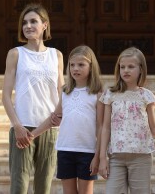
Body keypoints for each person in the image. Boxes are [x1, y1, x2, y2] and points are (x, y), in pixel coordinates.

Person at [99, 47, 155, 194]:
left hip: (141, 157)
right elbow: (105, 128)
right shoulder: (110, 95)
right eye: (122, 67)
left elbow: (154, 129)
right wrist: (102, 158)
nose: (126, 70)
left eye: (131, 67)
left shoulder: (146, 96)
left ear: (141, 69)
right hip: (116, 157)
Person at [2, 3, 65, 194]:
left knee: (43, 187)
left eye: (33, 21)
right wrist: (17, 126)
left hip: (49, 128)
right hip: (23, 129)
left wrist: (60, 114)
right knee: (18, 187)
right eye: (25, 22)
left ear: (44, 25)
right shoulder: (15, 54)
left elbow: (61, 90)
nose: (28, 26)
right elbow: (5, 95)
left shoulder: (57, 55)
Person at [25, 45, 104, 194]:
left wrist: (98, 156)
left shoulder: (98, 94)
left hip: (87, 151)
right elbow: (54, 119)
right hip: (65, 149)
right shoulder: (65, 91)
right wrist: (32, 134)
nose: (75, 68)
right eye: (72, 65)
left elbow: (101, 127)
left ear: (91, 66)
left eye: (81, 65)